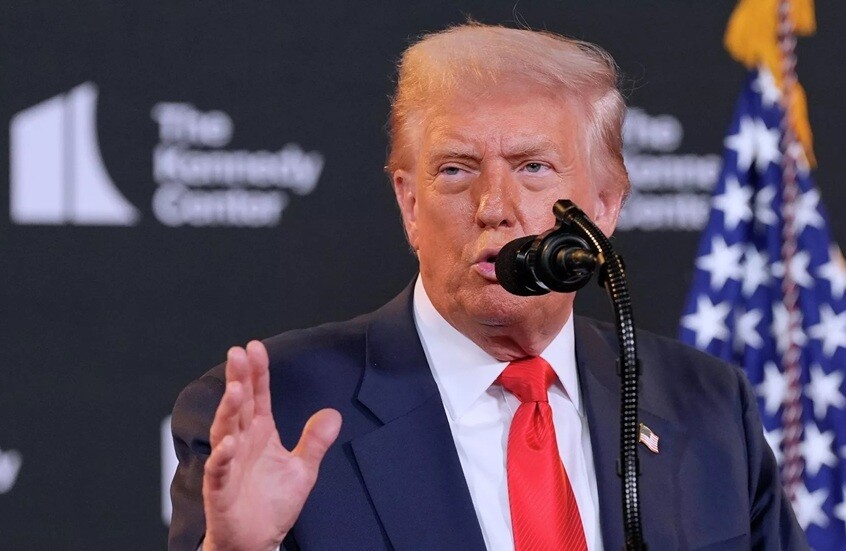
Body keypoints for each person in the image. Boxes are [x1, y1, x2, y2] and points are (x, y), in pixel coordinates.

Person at [169, 23, 807, 551]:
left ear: (606, 205)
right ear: (410, 203)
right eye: (455, 170)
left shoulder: (709, 405)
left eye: (534, 167)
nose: (494, 207)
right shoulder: (281, 413)